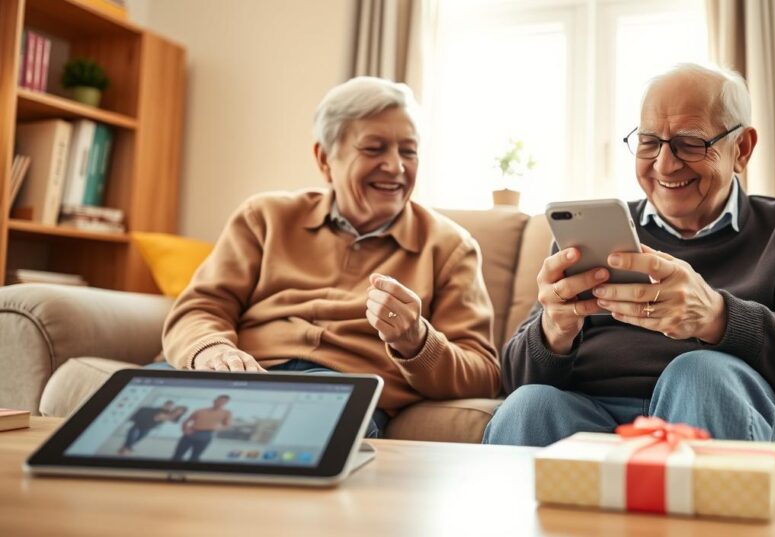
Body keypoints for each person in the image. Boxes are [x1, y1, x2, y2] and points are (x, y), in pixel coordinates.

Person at [484, 63, 775, 451]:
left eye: (690, 143)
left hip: (716, 403)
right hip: (593, 416)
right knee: (527, 408)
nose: (665, 164)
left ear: (741, 148)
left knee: (700, 375)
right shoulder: (594, 236)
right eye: (649, 142)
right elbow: (514, 380)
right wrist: (554, 332)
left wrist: (719, 317)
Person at [159, 77, 500, 438]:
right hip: (241, 377)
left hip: (339, 393)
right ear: (325, 158)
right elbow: (200, 307)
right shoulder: (265, 216)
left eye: (408, 151)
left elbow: (482, 372)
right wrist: (213, 351)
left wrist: (416, 340)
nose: (396, 166)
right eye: (374, 149)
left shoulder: (449, 247)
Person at [172, 395, 232, 461]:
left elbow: (227, 426)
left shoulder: (226, 413)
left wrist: (218, 428)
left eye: (224, 402)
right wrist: (185, 429)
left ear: (226, 403)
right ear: (215, 401)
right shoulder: (200, 411)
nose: (221, 403)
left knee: (195, 457)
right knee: (177, 456)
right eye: (220, 401)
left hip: (206, 435)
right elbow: (186, 421)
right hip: (191, 433)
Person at [118, 401, 186, 455]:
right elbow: (157, 416)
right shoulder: (165, 410)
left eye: (181, 411)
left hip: (149, 426)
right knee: (132, 434)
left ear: (182, 413)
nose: (179, 412)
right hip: (142, 423)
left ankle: (126, 447)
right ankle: (126, 448)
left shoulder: (174, 417)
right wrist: (163, 415)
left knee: (140, 437)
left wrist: (165, 417)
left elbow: (170, 420)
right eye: (179, 410)